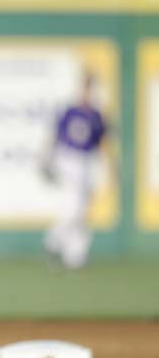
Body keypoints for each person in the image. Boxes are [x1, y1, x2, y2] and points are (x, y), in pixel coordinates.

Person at [42, 74, 107, 269]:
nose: (87, 92)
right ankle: (54, 241)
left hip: (87, 160)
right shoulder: (70, 111)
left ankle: (75, 255)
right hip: (68, 158)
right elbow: (55, 135)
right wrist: (47, 157)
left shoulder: (96, 115)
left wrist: (111, 166)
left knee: (82, 209)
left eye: (90, 88)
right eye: (85, 87)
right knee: (75, 206)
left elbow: (103, 142)